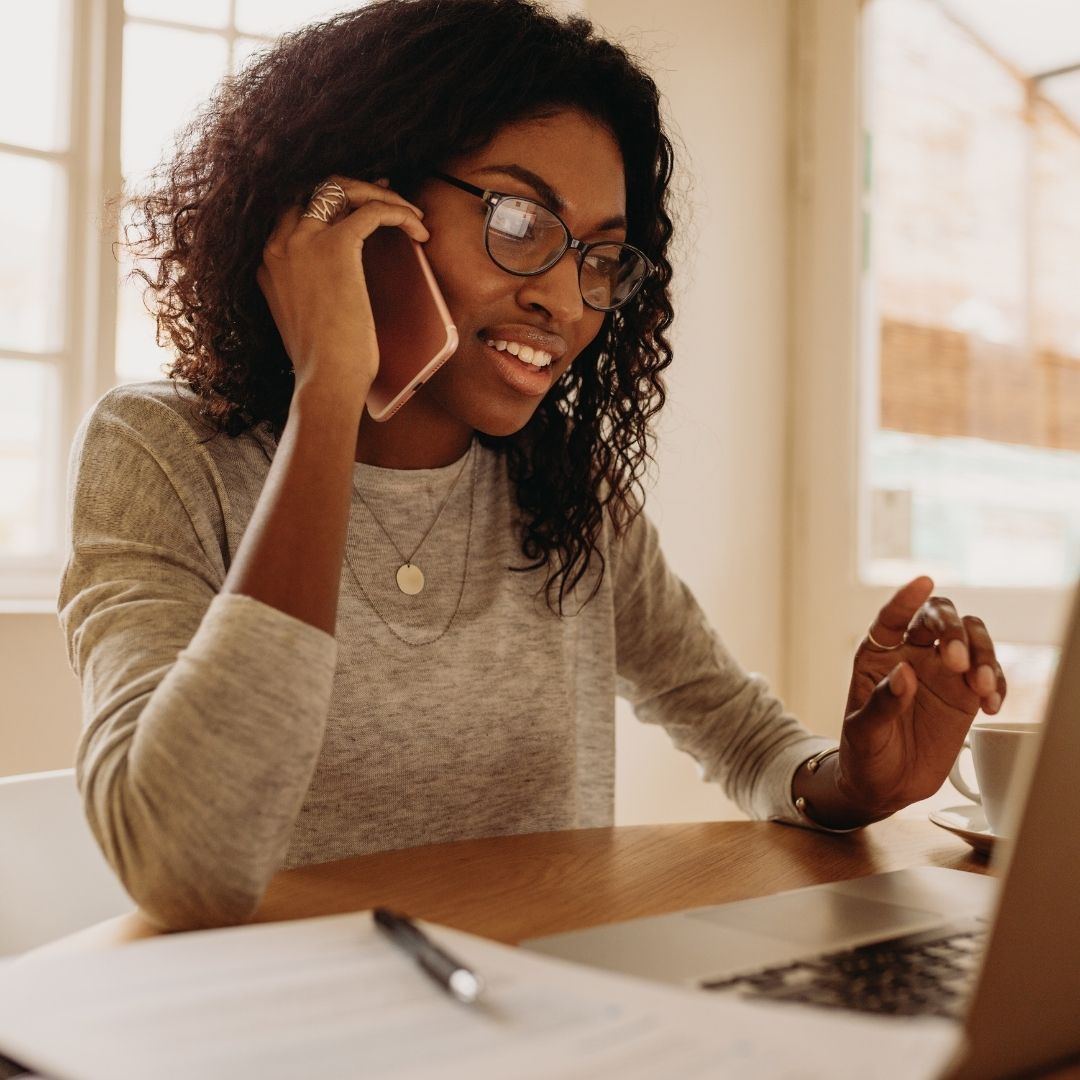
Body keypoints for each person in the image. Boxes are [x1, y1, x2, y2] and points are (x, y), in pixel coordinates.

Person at [59, 0, 1006, 932]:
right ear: (361, 207)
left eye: (602, 257)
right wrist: (329, 390)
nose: (566, 301)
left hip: (539, 1006)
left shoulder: (565, 493)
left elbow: (740, 730)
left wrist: (854, 785)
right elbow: (184, 865)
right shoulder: (162, 453)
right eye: (518, 221)